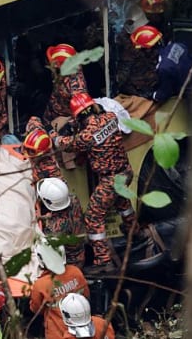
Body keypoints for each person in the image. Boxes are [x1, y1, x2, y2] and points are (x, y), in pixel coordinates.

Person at [52, 92, 134, 275]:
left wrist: (54, 136)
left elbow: (66, 144)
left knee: (93, 217)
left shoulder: (86, 136)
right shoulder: (111, 117)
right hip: (125, 172)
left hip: (110, 179)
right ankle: (134, 231)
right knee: (122, 203)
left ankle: (104, 261)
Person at [131, 25, 192, 171]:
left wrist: (149, 94)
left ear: (148, 50)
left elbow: (162, 95)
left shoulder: (164, 68)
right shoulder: (177, 46)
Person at [29, 242, 89, 339]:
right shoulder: (75, 271)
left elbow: (36, 309)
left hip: (57, 333)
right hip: (84, 331)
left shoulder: (40, 284)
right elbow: (86, 295)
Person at [36, 177, 86, 269]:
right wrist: (44, 217)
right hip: (80, 253)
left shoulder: (54, 229)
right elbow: (62, 214)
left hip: (69, 264)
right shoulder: (74, 200)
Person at [116, 5, 159, 98]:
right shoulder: (126, 43)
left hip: (147, 83)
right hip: (136, 87)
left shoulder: (150, 33)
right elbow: (123, 73)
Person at [43, 44, 89, 123]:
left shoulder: (75, 85)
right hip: (51, 115)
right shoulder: (62, 73)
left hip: (62, 123)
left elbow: (83, 112)